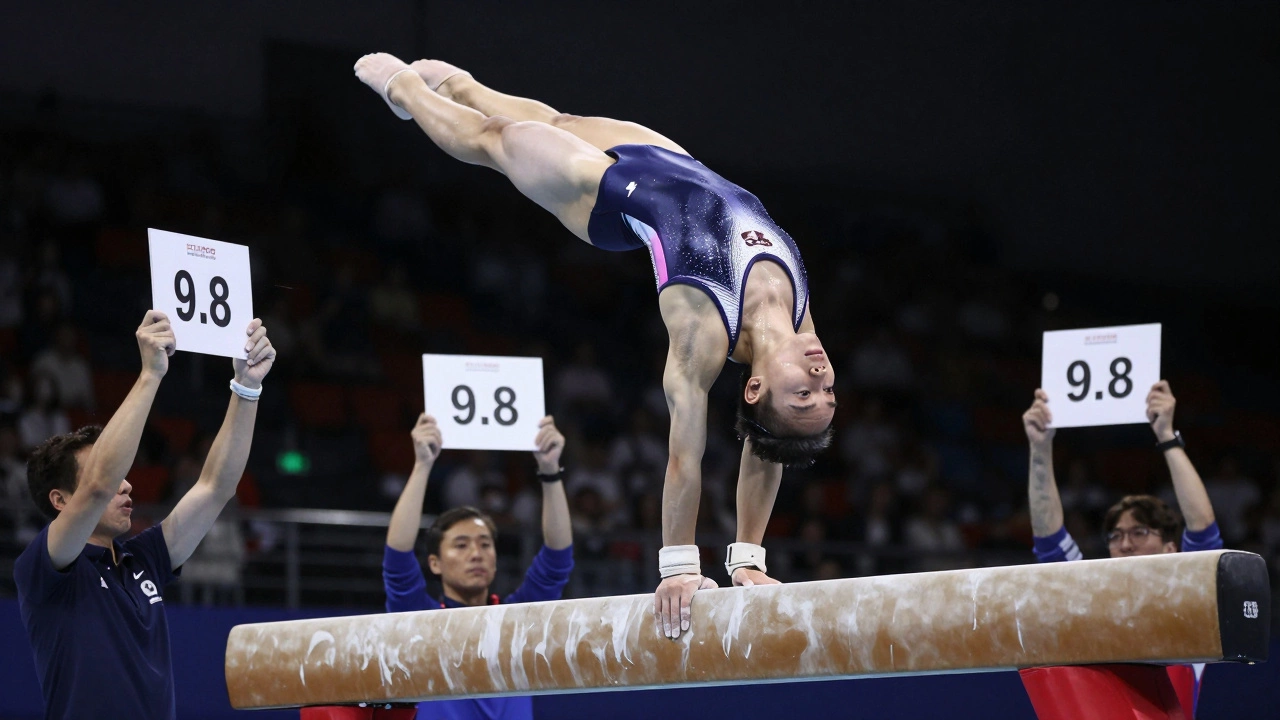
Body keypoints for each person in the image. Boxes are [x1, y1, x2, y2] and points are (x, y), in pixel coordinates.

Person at [354, 53, 837, 637]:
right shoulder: (802, 322)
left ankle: (404, 92)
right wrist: (749, 557)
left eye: (803, 396)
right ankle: (460, 84)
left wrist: (682, 566)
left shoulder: (704, 329)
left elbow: (689, 458)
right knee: (555, 118)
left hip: (607, 197)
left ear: (754, 387)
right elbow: (770, 442)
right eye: (826, 392)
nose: (820, 378)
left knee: (498, 140)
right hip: (676, 163)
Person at [12, 310, 276, 720]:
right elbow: (100, 484)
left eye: (125, 475)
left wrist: (246, 386)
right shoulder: (45, 568)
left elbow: (214, 488)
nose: (127, 485)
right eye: (116, 475)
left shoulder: (144, 559)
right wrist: (151, 373)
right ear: (60, 501)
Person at [1021, 380, 1222, 717]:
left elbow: (1203, 529)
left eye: (1139, 532)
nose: (1125, 544)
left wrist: (1167, 436)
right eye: (1115, 536)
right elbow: (1049, 542)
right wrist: (1039, 448)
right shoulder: (1092, 602)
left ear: (1172, 549)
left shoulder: (1189, 611)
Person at [387, 413, 572, 719]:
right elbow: (397, 562)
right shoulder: (419, 622)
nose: (476, 553)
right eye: (461, 545)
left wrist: (550, 471)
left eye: (485, 544)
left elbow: (558, 559)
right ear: (434, 563)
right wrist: (422, 466)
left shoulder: (518, 622)